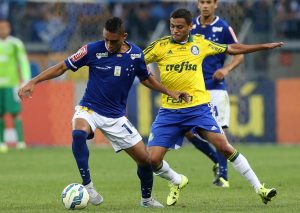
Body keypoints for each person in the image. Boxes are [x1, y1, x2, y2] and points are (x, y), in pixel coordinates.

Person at [18, 17, 188, 208]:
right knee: (78, 133)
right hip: (89, 108)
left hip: (116, 117)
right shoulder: (91, 49)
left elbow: (147, 79)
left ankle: (147, 200)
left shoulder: (136, 55)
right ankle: (88, 186)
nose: (108, 44)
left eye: (113, 41)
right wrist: (34, 81)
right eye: (106, 39)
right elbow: (62, 67)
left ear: (124, 37)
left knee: (145, 161)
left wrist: (169, 92)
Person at [143, 8, 282, 206]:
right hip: (170, 112)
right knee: (152, 160)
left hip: (198, 109)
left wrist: (263, 47)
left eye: (180, 27)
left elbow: (232, 48)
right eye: (172, 26)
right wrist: (141, 67)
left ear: (190, 27)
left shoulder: (200, 43)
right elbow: (136, 59)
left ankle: (260, 188)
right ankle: (176, 180)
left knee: (225, 147)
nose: (175, 30)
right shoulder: (160, 46)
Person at [183, 0, 245, 188]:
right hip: (192, 88)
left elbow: (239, 53)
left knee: (218, 130)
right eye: (202, 2)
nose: (205, 5)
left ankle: (223, 176)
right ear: (197, 4)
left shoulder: (223, 27)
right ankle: (217, 162)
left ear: (215, 4)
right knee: (187, 131)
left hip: (215, 88)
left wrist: (226, 70)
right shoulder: (189, 26)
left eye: (209, 2)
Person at [0, 19, 31, 153]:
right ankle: (1, 142)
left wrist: (25, 80)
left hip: (12, 84)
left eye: (5, 27)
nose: (3, 30)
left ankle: (20, 142)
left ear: (9, 28)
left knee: (15, 113)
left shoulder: (15, 44)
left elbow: (23, 62)